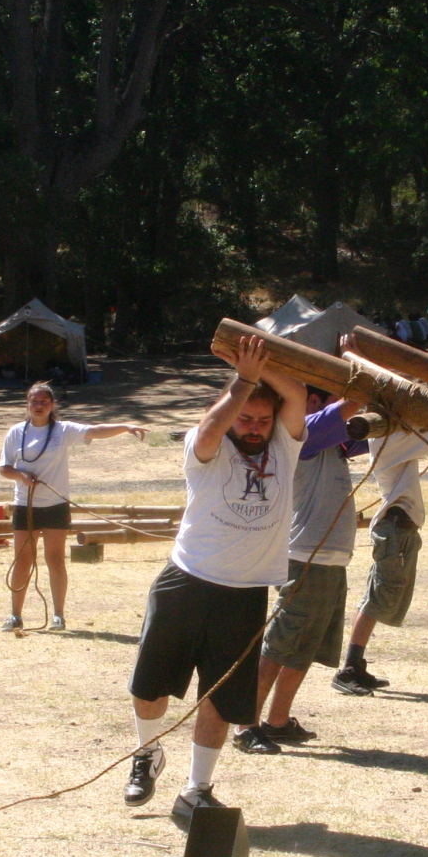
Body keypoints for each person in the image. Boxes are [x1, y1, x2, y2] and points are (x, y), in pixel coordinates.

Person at [122, 335, 306, 825]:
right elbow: (209, 429)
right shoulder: (205, 445)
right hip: (188, 580)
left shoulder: (284, 447)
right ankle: (147, 754)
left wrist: (258, 366)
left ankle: (196, 789)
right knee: (150, 684)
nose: (255, 427)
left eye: (263, 420)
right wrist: (243, 379)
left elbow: (298, 396)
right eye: (245, 418)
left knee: (222, 698)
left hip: (245, 594)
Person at [235, 386, 366, 753]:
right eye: (330, 397)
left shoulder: (333, 440)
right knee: (280, 644)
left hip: (327, 559)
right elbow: (351, 406)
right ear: (312, 402)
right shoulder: (303, 432)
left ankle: (277, 721)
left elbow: (376, 433)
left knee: (303, 647)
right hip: (307, 556)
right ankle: (246, 725)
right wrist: (368, 383)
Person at [0, 382, 149, 631]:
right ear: (27, 403)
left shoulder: (63, 430)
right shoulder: (16, 432)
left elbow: (95, 431)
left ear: (52, 405)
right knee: (23, 560)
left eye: (44, 401)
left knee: (55, 559)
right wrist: (21, 477)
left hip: (56, 505)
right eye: (34, 401)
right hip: (25, 505)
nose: (39, 405)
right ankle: (15, 616)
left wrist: (125, 427)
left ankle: (58, 616)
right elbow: (4, 468)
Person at [333, 423, 428, 696]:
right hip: (395, 528)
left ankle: (355, 665)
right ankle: (348, 670)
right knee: (378, 597)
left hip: (399, 528)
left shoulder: (393, 437)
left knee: (378, 595)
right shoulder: (387, 440)